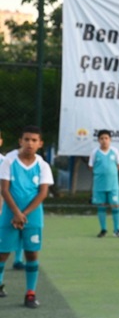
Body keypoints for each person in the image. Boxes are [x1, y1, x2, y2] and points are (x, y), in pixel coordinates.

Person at [0, 125, 53, 308]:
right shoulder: (9, 161)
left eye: (34, 140)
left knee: (31, 254)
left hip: (33, 216)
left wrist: (24, 214)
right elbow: (4, 189)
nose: (30, 143)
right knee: (2, 253)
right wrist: (16, 213)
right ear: (20, 141)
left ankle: (30, 293)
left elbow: (43, 193)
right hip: (9, 214)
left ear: (40, 143)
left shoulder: (43, 165)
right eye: (27, 139)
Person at [89, 130, 119, 238]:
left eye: (106, 138)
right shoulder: (95, 152)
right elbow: (91, 166)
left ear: (110, 140)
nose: (104, 141)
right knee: (101, 206)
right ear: (98, 140)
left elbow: (118, 165)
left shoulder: (115, 151)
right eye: (102, 138)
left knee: (115, 205)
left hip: (113, 185)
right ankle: (103, 229)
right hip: (99, 185)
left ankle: (117, 230)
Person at [0, 130, 25, 270]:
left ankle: (18, 259)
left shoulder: (6, 161)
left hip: (4, 204)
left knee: (16, 229)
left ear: (1, 142)